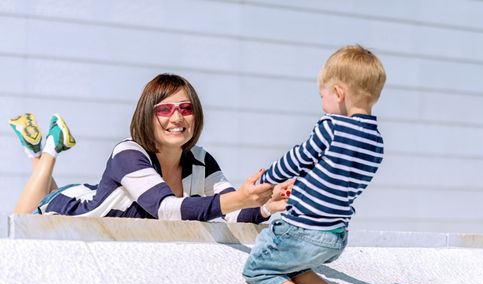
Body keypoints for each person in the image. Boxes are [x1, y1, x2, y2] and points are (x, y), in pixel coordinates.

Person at [242, 45, 386, 284]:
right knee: (292, 266)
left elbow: (297, 159)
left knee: (259, 269)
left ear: (338, 92)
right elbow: (342, 181)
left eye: (323, 97)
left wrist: (266, 180)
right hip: (335, 237)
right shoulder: (376, 143)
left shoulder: (331, 126)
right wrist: (307, 184)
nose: (322, 105)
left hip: (302, 230)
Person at [8, 73, 291, 222]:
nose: (177, 118)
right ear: (147, 114)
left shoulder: (201, 161)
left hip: (93, 199)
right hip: (68, 210)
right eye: (164, 109)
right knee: (19, 221)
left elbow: (231, 213)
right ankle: (49, 150)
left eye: (186, 108)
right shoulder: (128, 153)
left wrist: (265, 205)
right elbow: (166, 209)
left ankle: (34, 149)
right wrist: (240, 198)